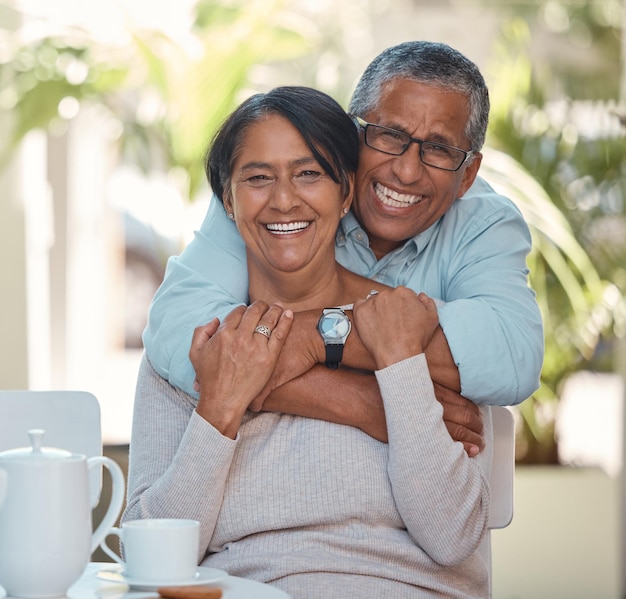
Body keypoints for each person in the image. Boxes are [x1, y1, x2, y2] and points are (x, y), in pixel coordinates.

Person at [124, 85, 493, 598]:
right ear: (228, 202)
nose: (283, 199)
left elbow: (452, 536)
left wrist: (399, 364)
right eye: (257, 178)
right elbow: (151, 560)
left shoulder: (415, 329)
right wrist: (221, 408)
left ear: (346, 194)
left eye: (309, 173)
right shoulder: (202, 347)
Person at [143, 40, 544, 449]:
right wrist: (365, 402)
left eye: (438, 149)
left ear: (469, 173)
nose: (406, 172)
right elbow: (182, 333)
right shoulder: (265, 192)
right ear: (353, 134)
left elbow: (513, 356)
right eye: (389, 136)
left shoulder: (485, 222)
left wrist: (318, 336)